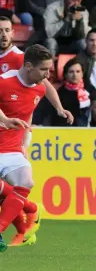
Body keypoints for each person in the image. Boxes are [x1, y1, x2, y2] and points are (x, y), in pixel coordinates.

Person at [0, 44, 58, 252]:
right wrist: (5, 119)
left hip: (12, 148)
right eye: (44, 69)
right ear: (28, 66)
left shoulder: (40, 88)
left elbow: (27, 114)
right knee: (4, 195)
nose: (47, 74)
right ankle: (31, 212)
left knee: (26, 182)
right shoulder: (4, 81)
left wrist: (24, 143)